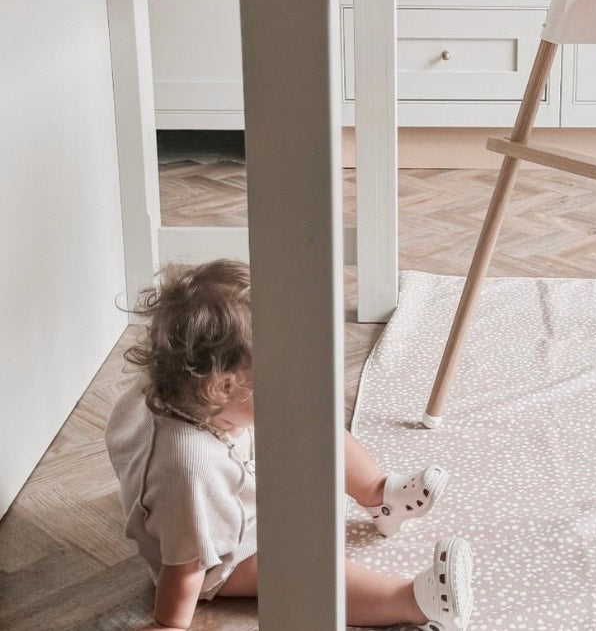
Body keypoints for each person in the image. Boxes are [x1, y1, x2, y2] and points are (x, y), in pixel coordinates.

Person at [105, 259, 473, 631]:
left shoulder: (184, 394)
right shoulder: (188, 469)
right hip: (226, 556)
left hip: (238, 488)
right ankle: (412, 602)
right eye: (280, 374)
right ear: (223, 387)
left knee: (315, 429)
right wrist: (169, 624)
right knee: (298, 566)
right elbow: (186, 563)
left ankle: (381, 496)